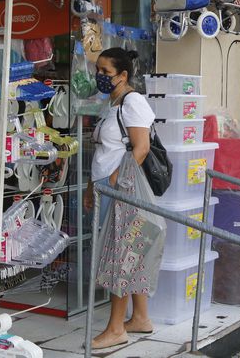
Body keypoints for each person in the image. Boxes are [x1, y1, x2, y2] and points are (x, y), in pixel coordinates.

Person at [83, 47, 158, 349]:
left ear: (123, 75)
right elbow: (105, 152)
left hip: (120, 190)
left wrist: (114, 185)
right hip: (105, 186)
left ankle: (116, 328)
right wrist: (92, 186)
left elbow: (141, 148)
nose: (99, 76)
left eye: (105, 72)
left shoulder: (132, 102)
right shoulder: (112, 103)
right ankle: (140, 318)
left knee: (120, 256)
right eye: (98, 71)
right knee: (130, 252)